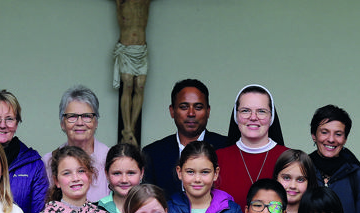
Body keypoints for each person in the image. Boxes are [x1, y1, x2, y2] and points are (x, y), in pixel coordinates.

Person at [142, 79, 229, 199]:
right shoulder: (152, 153)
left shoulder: (227, 147)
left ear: (208, 111)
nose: (191, 113)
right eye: (184, 107)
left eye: (198, 107)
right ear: (172, 111)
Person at [215, 85, 287, 209]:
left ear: (271, 117)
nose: (253, 117)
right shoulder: (217, 158)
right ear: (236, 116)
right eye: (245, 111)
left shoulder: (289, 159)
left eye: (261, 111)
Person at [42, 86, 110, 202]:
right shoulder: (49, 161)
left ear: (96, 122)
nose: (79, 122)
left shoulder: (110, 158)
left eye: (86, 116)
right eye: (72, 116)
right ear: (62, 123)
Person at [113, 0, 150, 146]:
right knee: (127, 85)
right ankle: (127, 129)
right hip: (127, 50)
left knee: (140, 86)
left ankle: (130, 130)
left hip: (141, 50)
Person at [271, 149, 319, 213]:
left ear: (309, 182)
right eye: (286, 178)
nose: (293, 186)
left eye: (300, 179)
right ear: (276, 178)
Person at [97, 143, 146, 213]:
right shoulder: (97, 209)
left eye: (131, 173)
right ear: (106, 174)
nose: (124, 180)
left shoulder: (152, 208)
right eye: (117, 173)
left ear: (141, 173)